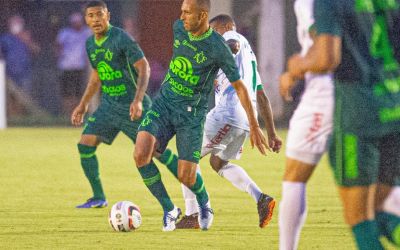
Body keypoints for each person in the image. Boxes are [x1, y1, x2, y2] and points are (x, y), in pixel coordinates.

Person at [134, 0, 269, 232]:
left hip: (193, 115)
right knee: (141, 153)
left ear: (203, 15)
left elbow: (240, 85)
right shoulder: (179, 28)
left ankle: (202, 205)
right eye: (182, 11)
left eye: (187, 12)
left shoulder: (219, 46)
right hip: (164, 104)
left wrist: (256, 126)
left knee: (187, 173)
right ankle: (171, 210)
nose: (182, 16)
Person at [281, 0, 400, 249]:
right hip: (393, 103)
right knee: (381, 207)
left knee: (359, 215)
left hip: (355, 107)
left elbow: (325, 55)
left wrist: (295, 68)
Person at [175, 14, 282, 229]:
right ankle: (261, 198)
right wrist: (271, 132)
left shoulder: (233, 37)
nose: (211, 35)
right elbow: (261, 96)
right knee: (218, 163)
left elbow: (230, 43)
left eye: (214, 30)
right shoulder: (249, 59)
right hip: (243, 119)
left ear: (226, 26)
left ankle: (193, 214)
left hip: (228, 113)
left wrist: (221, 47)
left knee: (187, 157)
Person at [71, 1, 178, 215]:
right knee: (85, 144)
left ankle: (188, 178)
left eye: (99, 15)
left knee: (156, 152)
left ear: (108, 15)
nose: (96, 20)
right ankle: (99, 197)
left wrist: (138, 100)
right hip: (109, 107)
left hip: (132, 107)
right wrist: (82, 105)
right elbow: (96, 77)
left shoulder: (121, 38)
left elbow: (144, 68)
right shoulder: (90, 44)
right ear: (86, 19)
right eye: (91, 16)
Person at [278, 0, 334, 249]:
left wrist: (295, 69)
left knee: (294, 176)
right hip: (373, 91)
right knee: (377, 190)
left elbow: (324, 48)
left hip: (326, 94)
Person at [56, 12, 91, 116]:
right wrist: (60, 55)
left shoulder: (86, 32)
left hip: (79, 67)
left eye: (78, 22)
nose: (77, 24)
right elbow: (58, 46)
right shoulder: (65, 33)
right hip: (65, 67)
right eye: (75, 22)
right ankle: (67, 114)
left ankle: (78, 114)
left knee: (78, 92)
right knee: (66, 93)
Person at [0, 15, 40, 95]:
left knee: (25, 97)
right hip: (9, 74)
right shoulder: (5, 38)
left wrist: (27, 41)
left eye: (17, 23)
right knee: (11, 97)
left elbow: (37, 50)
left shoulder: (27, 35)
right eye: (13, 23)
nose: (15, 25)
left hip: (25, 73)